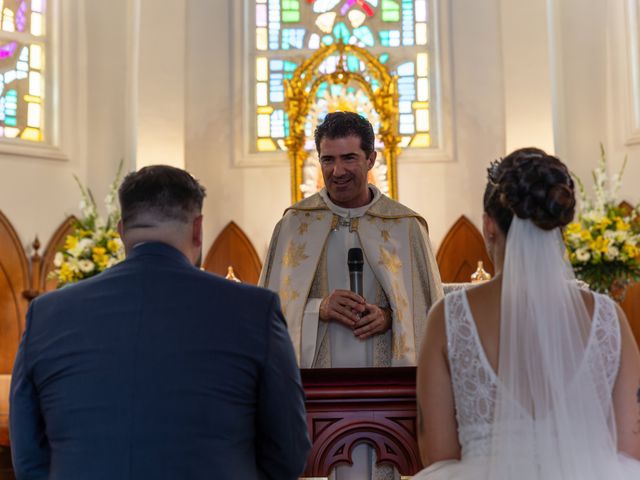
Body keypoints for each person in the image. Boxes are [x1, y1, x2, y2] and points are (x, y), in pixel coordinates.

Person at [9, 165, 311, 480]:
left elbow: (29, 459)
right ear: (198, 230)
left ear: (121, 230)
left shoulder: (47, 313)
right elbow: (288, 452)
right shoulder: (254, 310)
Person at [414, 148, 640, 479]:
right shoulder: (609, 318)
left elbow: (437, 454)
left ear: (489, 226)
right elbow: (630, 446)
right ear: (559, 223)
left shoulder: (448, 318)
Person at [259, 111, 443, 479]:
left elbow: (427, 314)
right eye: (328, 159)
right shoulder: (295, 224)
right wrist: (319, 308)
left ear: (371, 159)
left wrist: (391, 316)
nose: (337, 171)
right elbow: (270, 317)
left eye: (349, 158)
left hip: (387, 397)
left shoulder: (405, 227)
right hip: (317, 398)